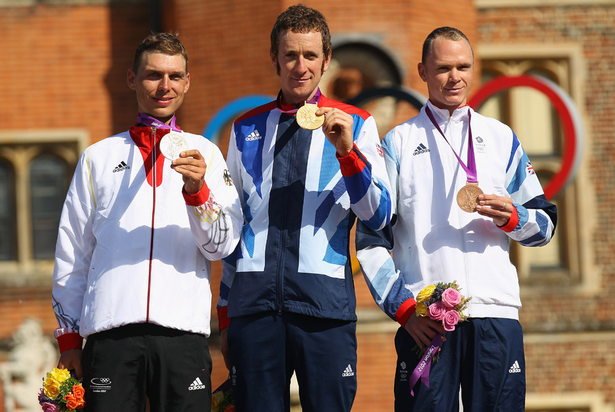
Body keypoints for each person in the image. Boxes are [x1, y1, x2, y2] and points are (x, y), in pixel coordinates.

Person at [356, 27, 557, 412]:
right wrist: (404, 309)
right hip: (428, 320)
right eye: (444, 67)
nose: (455, 77)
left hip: (496, 314)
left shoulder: (501, 138)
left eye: (463, 66)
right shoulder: (396, 142)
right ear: (423, 71)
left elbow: (545, 226)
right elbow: (370, 238)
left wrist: (513, 218)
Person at [51, 32, 242, 412]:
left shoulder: (206, 153)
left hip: (183, 335)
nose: (164, 86)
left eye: (174, 76)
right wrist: (70, 340)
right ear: (132, 79)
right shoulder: (98, 157)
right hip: (111, 335)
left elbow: (222, 245)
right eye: (154, 75)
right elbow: (72, 253)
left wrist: (198, 192)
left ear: (187, 82)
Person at [216, 4, 392, 412]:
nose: (300, 66)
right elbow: (232, 225)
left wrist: (348, 153)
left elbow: (378, 214)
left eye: (310, 55)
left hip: (324, 308)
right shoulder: (245, 128)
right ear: (274, 57)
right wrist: (226, 313)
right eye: (290, 54)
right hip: (254, 310)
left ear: (327, 59)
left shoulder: (357, 123)